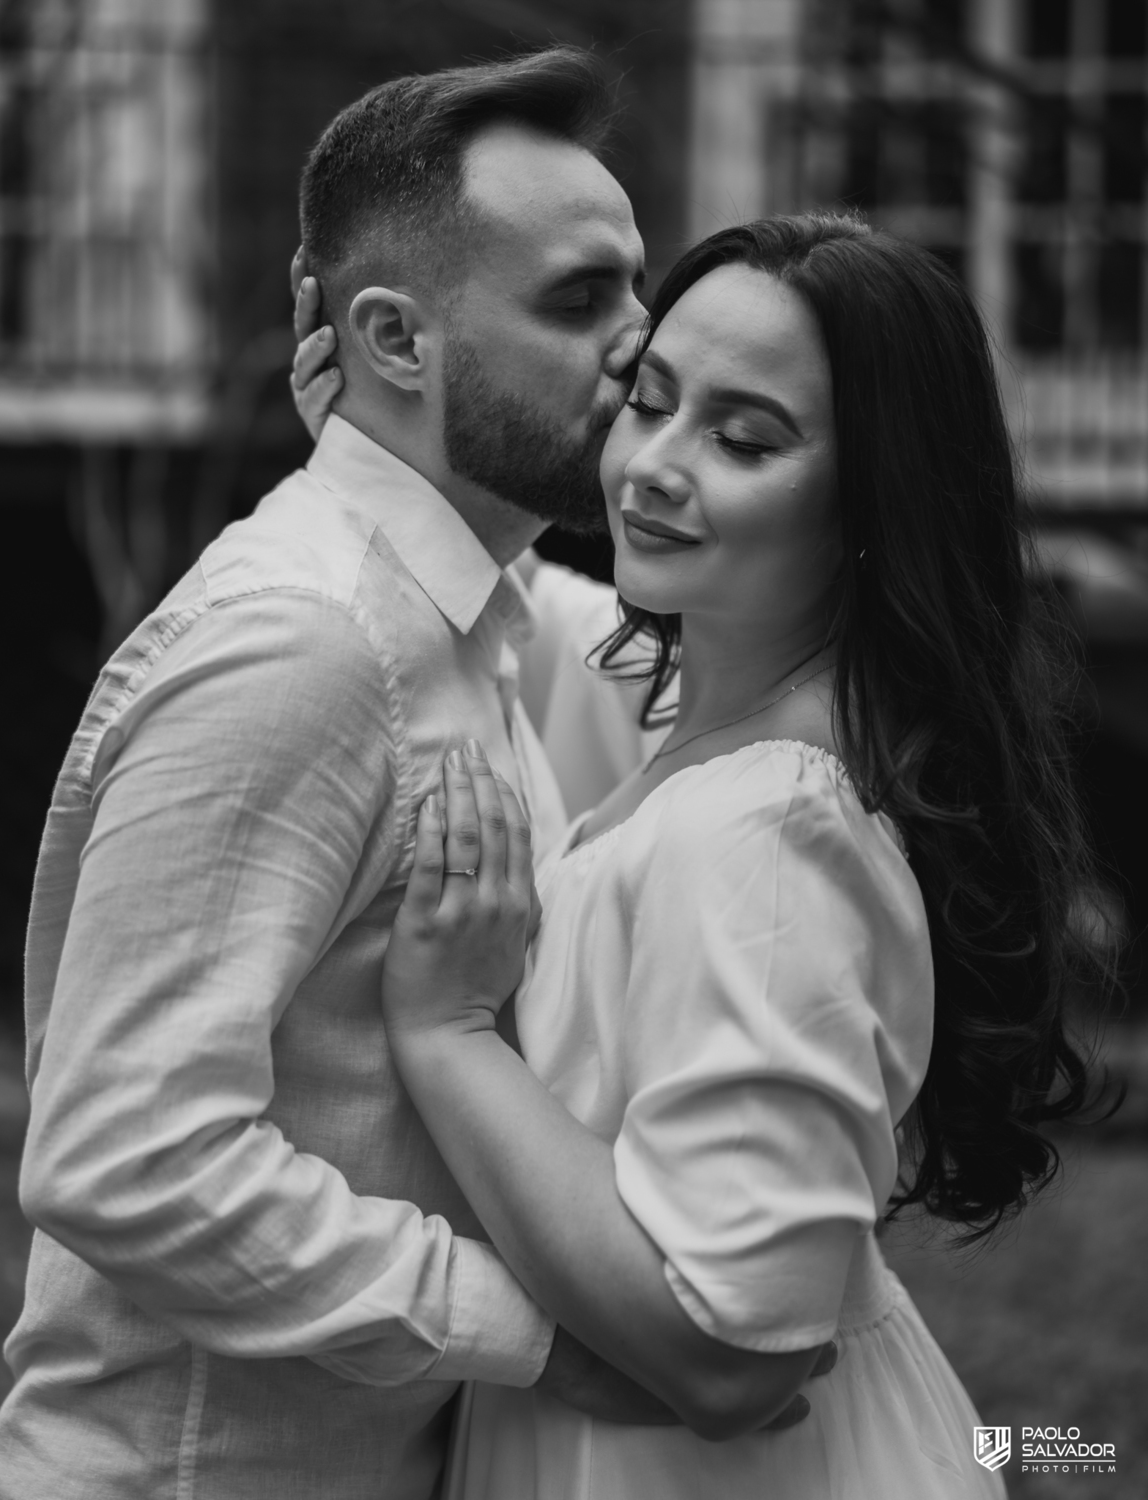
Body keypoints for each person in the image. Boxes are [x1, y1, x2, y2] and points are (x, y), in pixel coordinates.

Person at [0, 49, 839, 1500]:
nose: (642, 345)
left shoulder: (469, 620)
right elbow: (127, 1158)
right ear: (392, 339)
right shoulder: (302, 652)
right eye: (579, 301)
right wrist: (536, 1336)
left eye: (637, 287)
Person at [338, 214, 1105, 1497]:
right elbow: (492, 616)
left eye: (745, 438)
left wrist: (449, 1038)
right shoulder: (724, 723)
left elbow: (733, 1352)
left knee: (1074, 1449)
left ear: (875, 497)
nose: (654, 464)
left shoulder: (771, 826)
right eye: (651, 399)